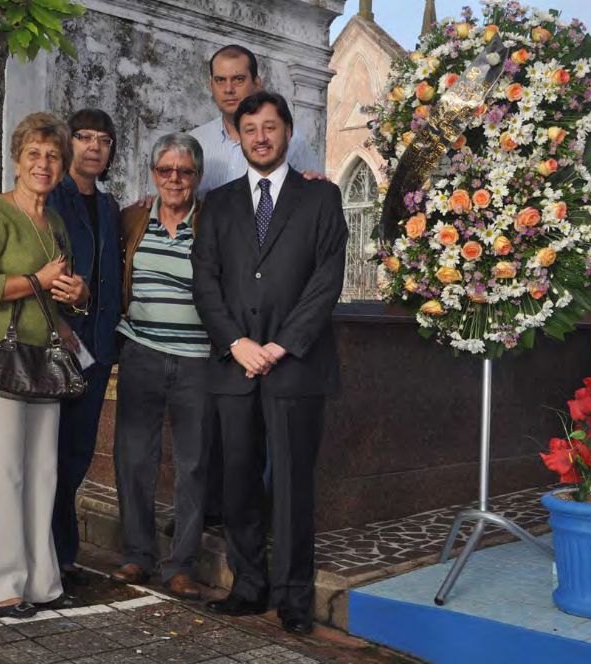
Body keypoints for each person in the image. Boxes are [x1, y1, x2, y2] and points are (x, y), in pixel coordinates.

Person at [191, 92, 348, 634]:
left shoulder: (321, 199)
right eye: (250, 128)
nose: (261, 136)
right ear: (238, 135)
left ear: (287, 131)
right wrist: (236, 342)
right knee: (237, 483)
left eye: (271, 127)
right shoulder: (220, 203)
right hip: (234, 366)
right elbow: (205, 280)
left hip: (295, 367)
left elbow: (327, 280)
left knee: (291, 487)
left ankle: (294, 599)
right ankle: (249, 587)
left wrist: (279, 345)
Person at [0, 112, 89, 619]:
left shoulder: (53, 222)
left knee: (43, 472)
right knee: (7, 471)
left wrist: (76, 293)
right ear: (17, 159)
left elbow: (60, 290)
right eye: (34, 153)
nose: (44, 163)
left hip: (45, 358)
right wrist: (35, 278)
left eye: (53, 155)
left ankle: (41, 580)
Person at [111, 133, 210, 601]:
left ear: (197, 177)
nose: (175, 178)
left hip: (199, 361)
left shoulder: (213, 223)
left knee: (193, 465)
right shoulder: (132, 218)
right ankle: (137, 554)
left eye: (185, 170)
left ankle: (181, 565)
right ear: (153, 174)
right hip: (141, 354)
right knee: (134, 458)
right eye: (166, 170)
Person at [46, 109, 122, 588]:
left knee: (77, 453)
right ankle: (51, 550)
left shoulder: (112, 207)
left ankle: (62, 547)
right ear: (69, 143)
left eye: (103, 139)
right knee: (48, 452)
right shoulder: (53, 198)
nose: (94, 146)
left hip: (97, 349)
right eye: (84, 137)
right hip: (57, 344)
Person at [189, 44, 321, 196]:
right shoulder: (195, 142)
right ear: (211, 85)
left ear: (257, 83)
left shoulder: (292, 140)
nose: (228, 89)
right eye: (220, 80)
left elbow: (314, 195)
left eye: (238, 79)